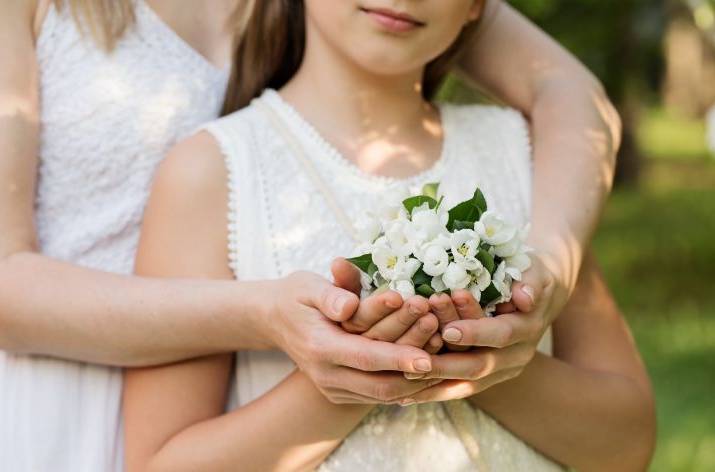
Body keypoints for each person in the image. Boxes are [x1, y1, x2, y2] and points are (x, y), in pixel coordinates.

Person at [0, 0, 621, 470]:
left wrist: (542, 277)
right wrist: (266, 315)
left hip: (261, 396)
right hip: (60, 403)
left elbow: (574, 98)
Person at [122, 0, 655, 470]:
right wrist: (363, 370)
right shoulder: (213, 172)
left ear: (477, 6)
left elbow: (628, 443)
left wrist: (482, 356)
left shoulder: (530, 158)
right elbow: (160, 461)